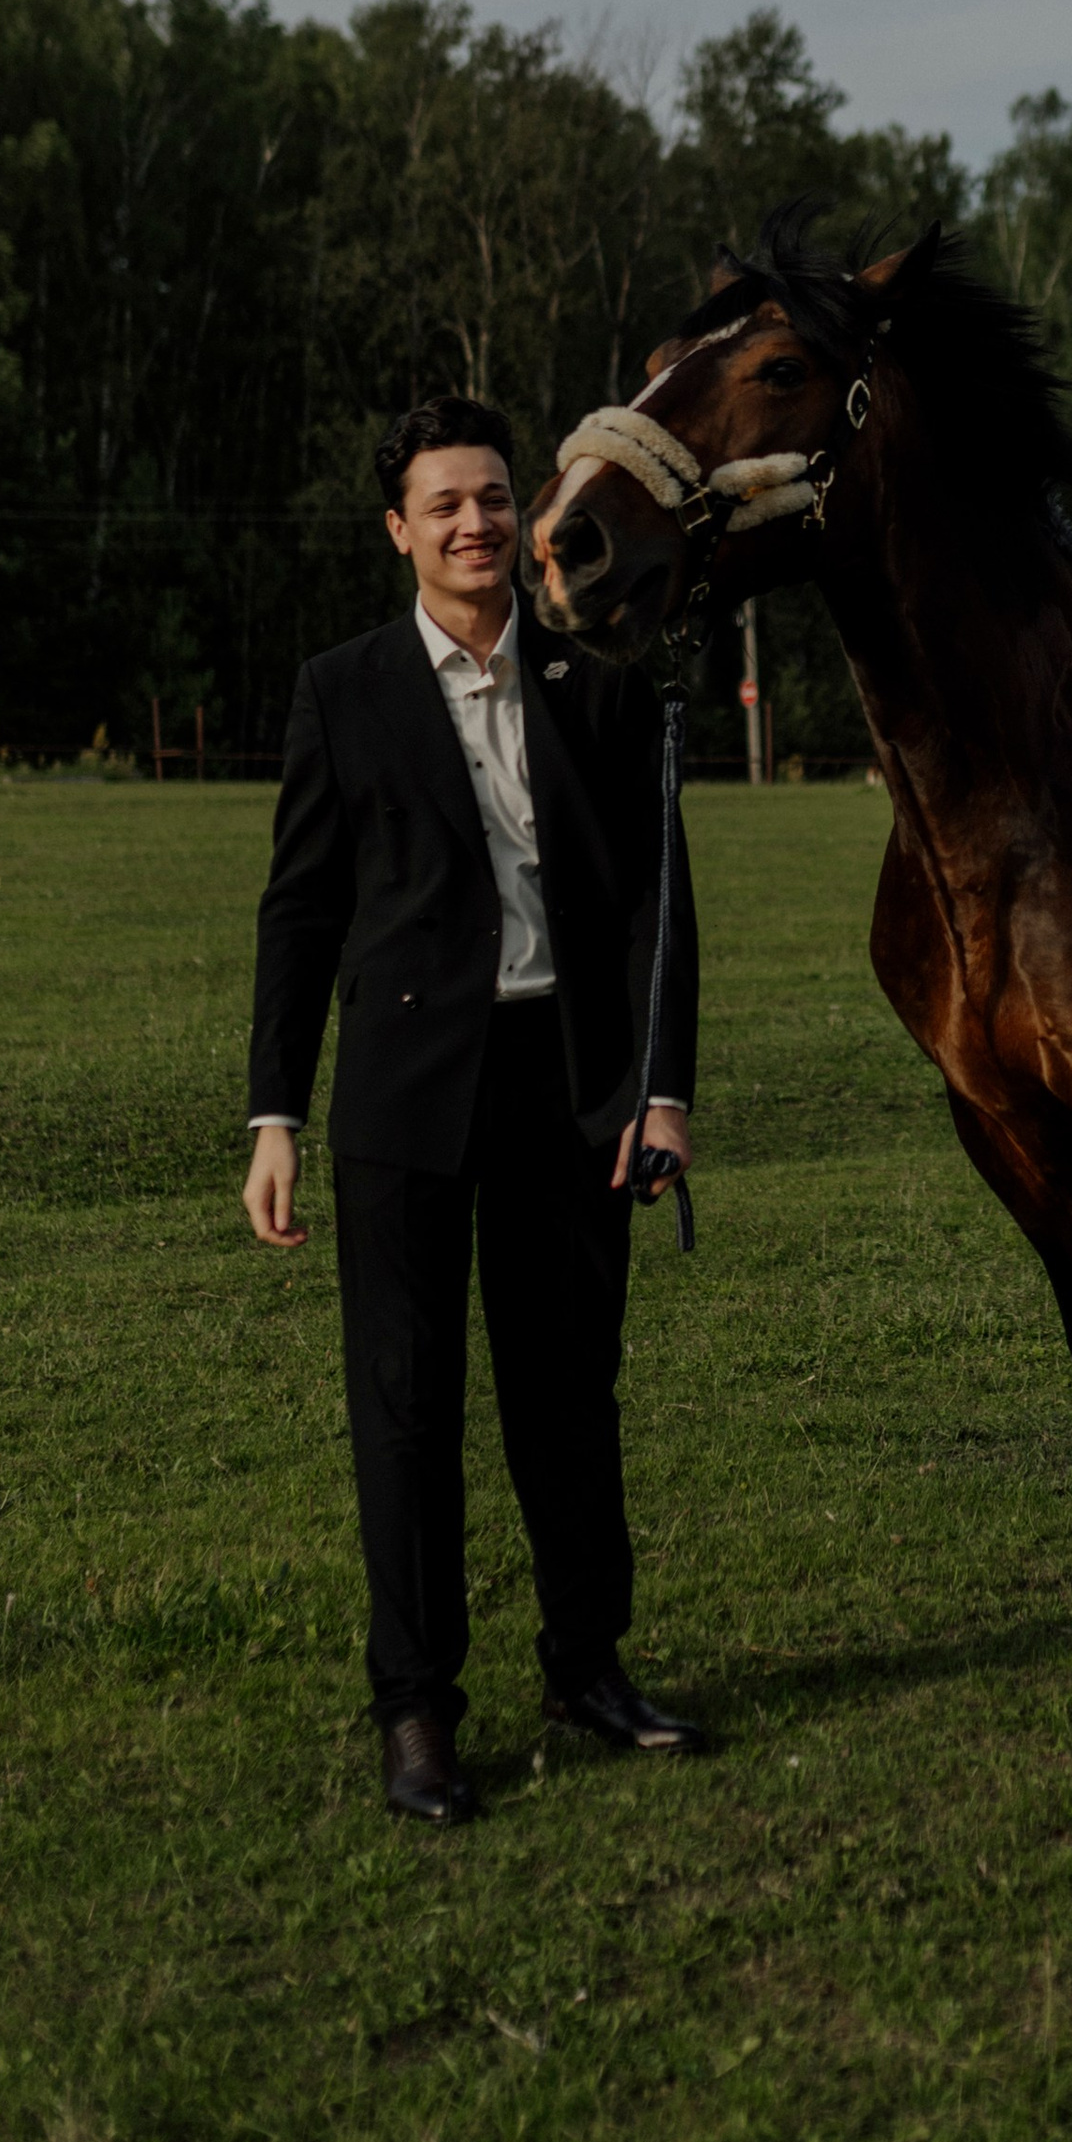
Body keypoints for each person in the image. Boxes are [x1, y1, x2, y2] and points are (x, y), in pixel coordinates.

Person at [243, 391, 705, 1824]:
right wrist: (275, 1115)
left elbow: (657, 911)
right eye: (445, 503)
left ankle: (586, 1663)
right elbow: (301, 911)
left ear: (526, 515)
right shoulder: (346, 690)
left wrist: (661, 1091)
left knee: (571, 1398)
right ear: (400, 530)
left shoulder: (604, 690)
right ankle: (418, 1712)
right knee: (406, 1409)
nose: (475, 523)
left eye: (495, 497)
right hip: (403, 1102)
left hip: (570, 1098)